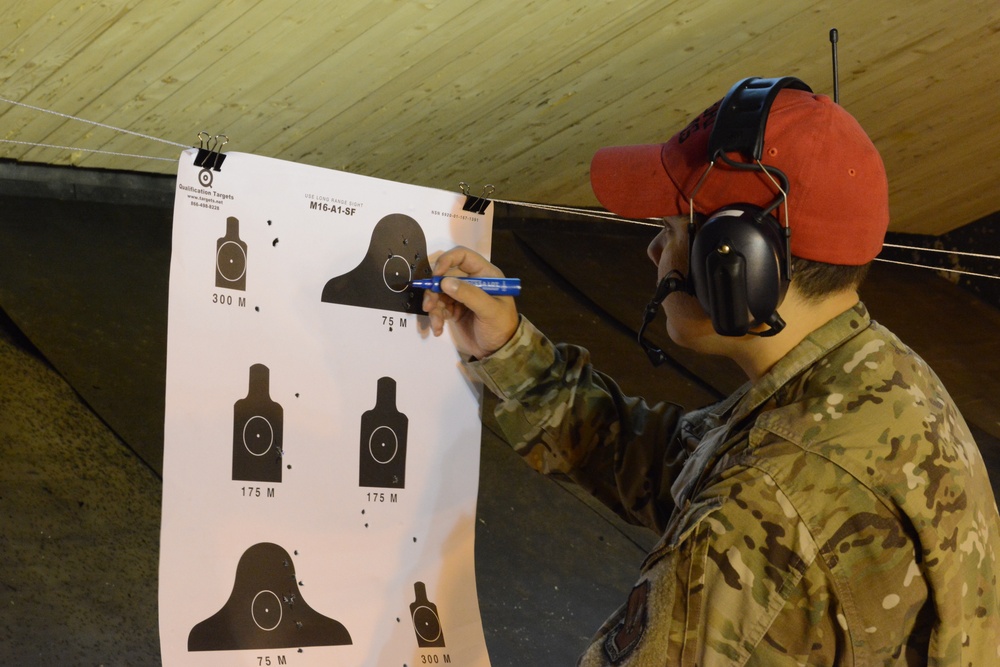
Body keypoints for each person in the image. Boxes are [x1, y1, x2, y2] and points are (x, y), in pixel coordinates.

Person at [422, 80, 1000, 665]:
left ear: (734, 262)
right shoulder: (876, 373)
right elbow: (670, 464)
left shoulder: (767, 506)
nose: (654, 252)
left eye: (671, 230)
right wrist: (511, 352)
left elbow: (749, 503)